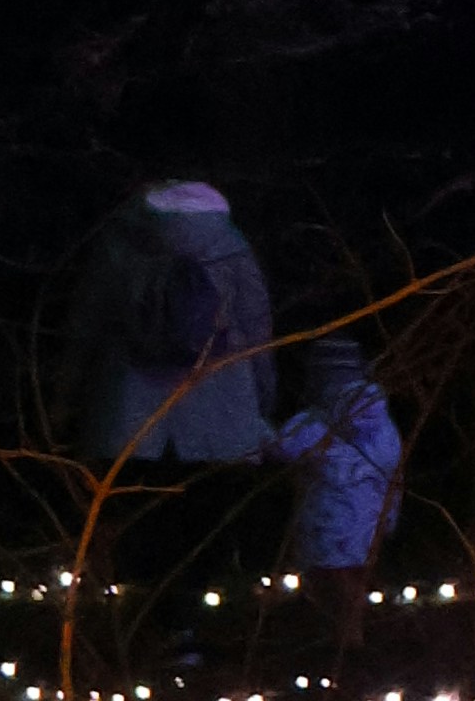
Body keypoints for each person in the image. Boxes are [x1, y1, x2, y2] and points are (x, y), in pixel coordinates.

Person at [52, 174, 278, 659]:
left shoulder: (120, 243)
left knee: (140, 521)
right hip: (219, 409)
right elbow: (257, 324)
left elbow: (86, 324)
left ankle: (135, 632)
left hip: (130, 411)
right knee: (200, 522)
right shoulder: (229, 243)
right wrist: (263, 397)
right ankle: (186, 629)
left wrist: (66, 398)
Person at [261, 330, 406, 668]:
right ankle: (346, 640)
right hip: (362, 516)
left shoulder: (326, 423)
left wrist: (263, 436)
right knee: (342, 579)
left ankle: (348, 645)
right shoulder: (376, 422)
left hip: (335, 517)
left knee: (336, 580)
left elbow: (287, 446)